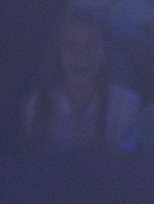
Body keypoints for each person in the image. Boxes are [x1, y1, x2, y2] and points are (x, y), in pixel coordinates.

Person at [21, 12, 140, 151]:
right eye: (71, 46)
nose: (81, 54)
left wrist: (98, 148)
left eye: (91, 45)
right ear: (58, 52)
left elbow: (130, 164)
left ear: (105, 51)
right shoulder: (37, 104)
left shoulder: (126, 104)